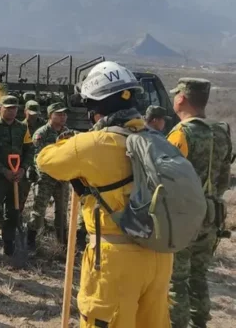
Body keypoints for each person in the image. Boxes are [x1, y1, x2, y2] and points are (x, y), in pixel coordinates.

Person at [37, 61, 174, 327]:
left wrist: (74, 142)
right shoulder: (157, 139)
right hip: (159, 255)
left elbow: (46, 160)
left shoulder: (94, 144)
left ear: (96, 110)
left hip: (116, 258)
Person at [167, 78, 234, 328]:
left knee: (176, 280)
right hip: (211, 215)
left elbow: (167, 179)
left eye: (176, 95)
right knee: (199, 276)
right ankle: (199, 324)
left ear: (182, 98)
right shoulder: (221, 131)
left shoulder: (181, 133)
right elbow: (224, 180)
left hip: (184, 219)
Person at [0, 96, 33, 256]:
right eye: (8, 108)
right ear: (0, 108)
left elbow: (29, 149)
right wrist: (4, 171)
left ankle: (9, 245)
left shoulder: (22, 128)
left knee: (12, 211)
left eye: (14, 108)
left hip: (16, 176)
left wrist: (23, 169)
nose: (11, 111)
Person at [26, 102, 70, 248]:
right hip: (45, 178)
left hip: (63, 178)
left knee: (62, 212)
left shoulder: (68, 133)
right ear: (50, 116)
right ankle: (31, 242)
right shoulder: (41, 133)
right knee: (38, 211)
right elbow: (38, 158)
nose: (63, 117)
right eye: (59, 114)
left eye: (64, 114)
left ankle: (62, 244)